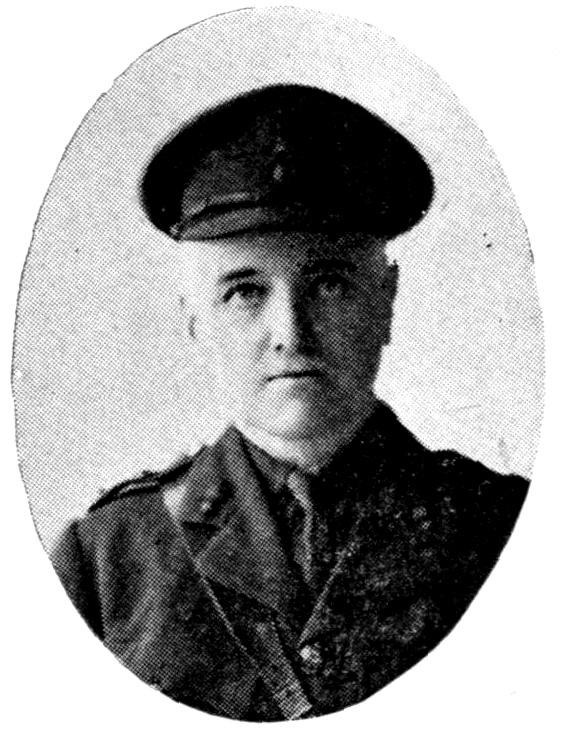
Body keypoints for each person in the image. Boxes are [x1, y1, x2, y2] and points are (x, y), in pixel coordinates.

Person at [52, 84, 529, 721]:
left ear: (385, 300)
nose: (291, 333)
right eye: (245, 292)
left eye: (328, 283)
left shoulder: (506, 526)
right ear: (195, 317)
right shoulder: (107, 558)